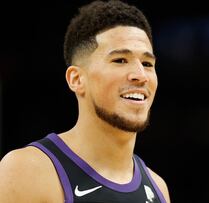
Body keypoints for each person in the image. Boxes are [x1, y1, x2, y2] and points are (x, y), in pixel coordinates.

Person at [0, 0, 170, 202]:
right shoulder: (29, 171)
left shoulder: (158, 189)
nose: (140, 75)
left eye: (147, 63)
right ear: (76, 79)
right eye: (120, 60)